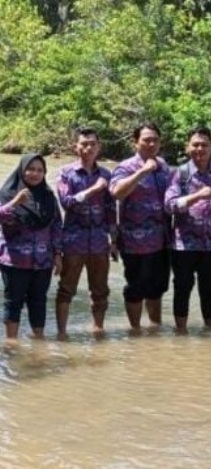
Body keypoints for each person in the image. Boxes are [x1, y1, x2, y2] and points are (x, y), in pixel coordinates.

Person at [54, 128, 117, 340]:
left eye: (93, 144)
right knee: (66, 289)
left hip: (99, 241)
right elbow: (66, 203)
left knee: (100, 290)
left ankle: (97, 329)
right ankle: (62, 332)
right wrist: (92, 190)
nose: (88, 147)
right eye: (84, 144)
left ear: (99, 147)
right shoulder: (66, 173)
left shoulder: (106, 174)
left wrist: (114, 240)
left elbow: (110, 210)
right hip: (73, 240)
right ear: (76, 147)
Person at [165, 127, 211, 334]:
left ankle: (209, 333)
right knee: (182, 290)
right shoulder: (180, 174)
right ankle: (180, 333)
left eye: (204, 145)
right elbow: (169, 205)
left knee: (209, 291)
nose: (200, 149)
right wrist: (197, 196)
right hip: (184, 245)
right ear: (187, 147)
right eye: (195, 144)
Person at [110, 123, 172, 334]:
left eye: (155, 140)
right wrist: (142, 172)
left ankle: (155, 328)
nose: (151, 144)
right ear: (135, 142)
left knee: (157, 289)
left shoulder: (163, 165)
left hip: (162, 239)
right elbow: (117, 192)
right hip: (134, 241)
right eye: (146, 140)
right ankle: (135, 331)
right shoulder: (126, 167)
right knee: (136, 288)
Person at [0, 154, 62, 341]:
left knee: (39, 301)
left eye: (40, 170)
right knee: (13, 303)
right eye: (31, 169)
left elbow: (57, 226)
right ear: (22, 170)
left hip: (43, 261)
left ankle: (39, 340)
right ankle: (11, 342)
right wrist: (15, 202)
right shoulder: (8, 193)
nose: (35, 174)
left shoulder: (49, 197)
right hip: (14, 261)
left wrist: (58, 254)